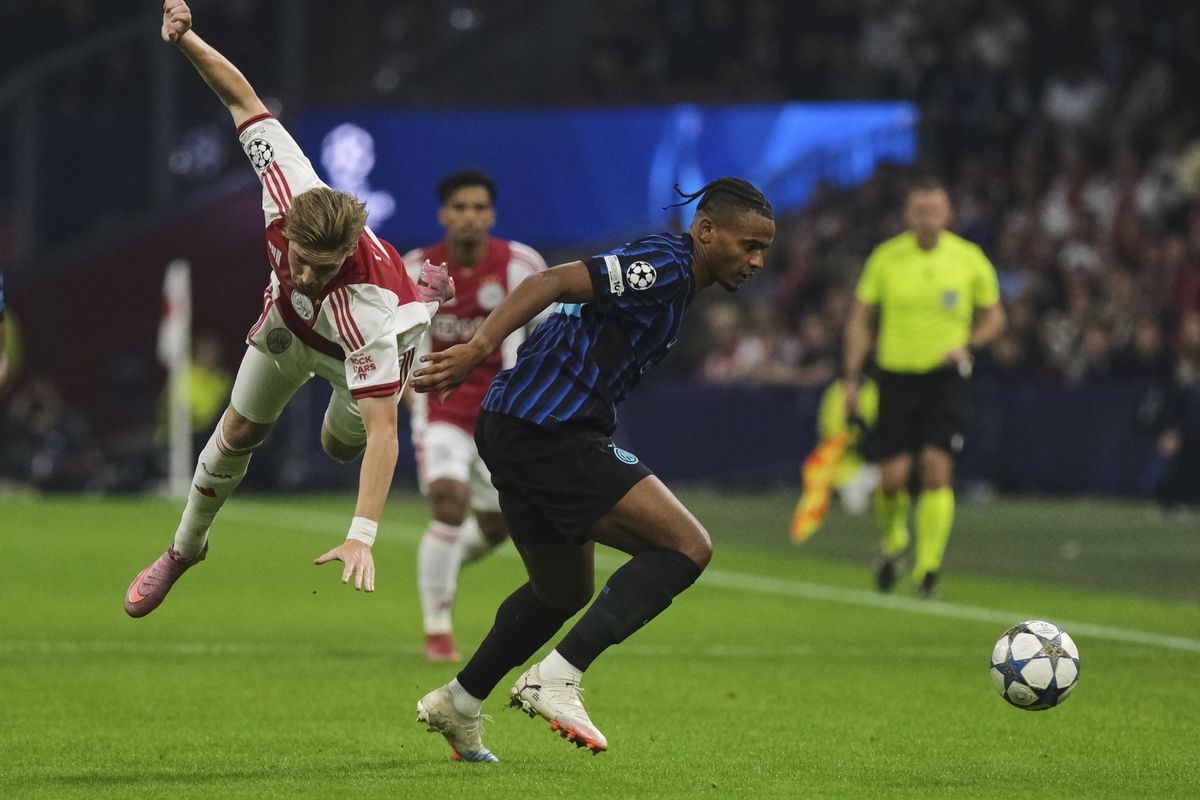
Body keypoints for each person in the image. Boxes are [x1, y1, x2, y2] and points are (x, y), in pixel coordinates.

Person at [411, 177, 775, 762]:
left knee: (562, 590)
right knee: (686, 546)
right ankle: (557, 677)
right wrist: (478, 349)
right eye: (749, 245)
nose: (757, 261)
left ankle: (460, 700)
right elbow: (549, 281)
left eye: (764, 250)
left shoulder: (674, 273)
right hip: (548, 426)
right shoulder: (667, 267)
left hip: (517, 423)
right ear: (707, 231)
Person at [124, 0, 452, 617]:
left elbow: (386, 435)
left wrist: (361, 535)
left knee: (339, 446)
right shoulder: (287, 185)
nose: (304, 274)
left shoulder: (368, 311)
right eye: (299, 259)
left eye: (320, 269)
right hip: (289, 327)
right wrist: (187, 38)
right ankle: (183, 549)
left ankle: (423, 299)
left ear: (346, 253)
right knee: (239, 430)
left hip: (362, 350)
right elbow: (242, 99)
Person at [402, 170, 548, 663]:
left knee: (498, 523)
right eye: (460, 207)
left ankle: (438, 563)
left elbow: (550, 334)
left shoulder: (521, 265)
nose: (470, 216)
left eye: (479, 207)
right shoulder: (418, 269)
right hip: (439, 410)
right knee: (448, 501)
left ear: (492, 214)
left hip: (502, 415)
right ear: (443, 214)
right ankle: (438, 631)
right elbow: (397, 341)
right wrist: (406, 393)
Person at [843, 177, 1005, 598]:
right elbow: (861, 320)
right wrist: (852, 378)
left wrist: (969, 345)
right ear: (907, 214)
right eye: (920, 211)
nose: (928, 219)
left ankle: (928, 568)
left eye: (935, 210)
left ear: (948, 213)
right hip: (895, 377)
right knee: (891, 477)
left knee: (936, 467)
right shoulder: (886, 258)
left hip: (945, 378)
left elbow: (995, 317)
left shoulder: (968, 259)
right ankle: (895, 538)